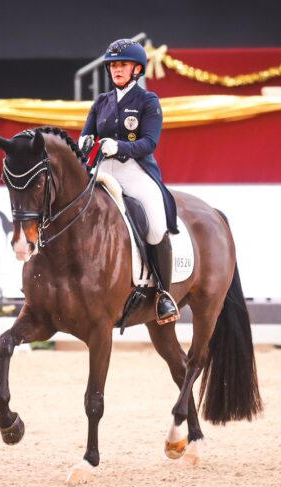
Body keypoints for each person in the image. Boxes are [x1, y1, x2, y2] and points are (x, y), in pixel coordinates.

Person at [78, 39, 180, 325]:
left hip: (133, 170)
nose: (116, 70)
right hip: (101, 170)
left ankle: (163, 294)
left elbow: (149, 142)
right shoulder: (101, 102)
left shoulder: (148, 101)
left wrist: (119, 147)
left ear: (137, 69)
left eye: (122, 65)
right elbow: (86, 135)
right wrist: (85, 142)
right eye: (112, 65)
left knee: (157, 226)